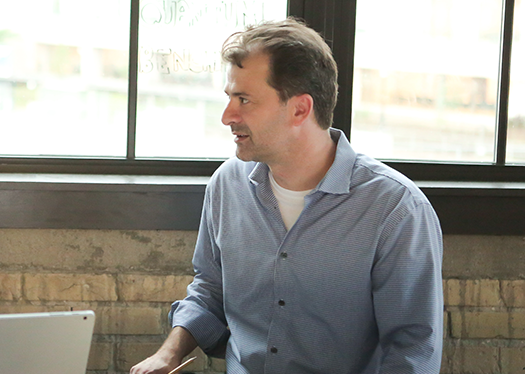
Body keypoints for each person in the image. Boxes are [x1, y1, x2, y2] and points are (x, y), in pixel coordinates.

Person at [131, 18, 443, 374]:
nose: (226, 116)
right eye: (230, 97)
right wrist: (167, 355)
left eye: (244, 100)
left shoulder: (395, 209)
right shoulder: (226, 185)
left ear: (299, 109)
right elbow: (210, 290)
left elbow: (412, 351)